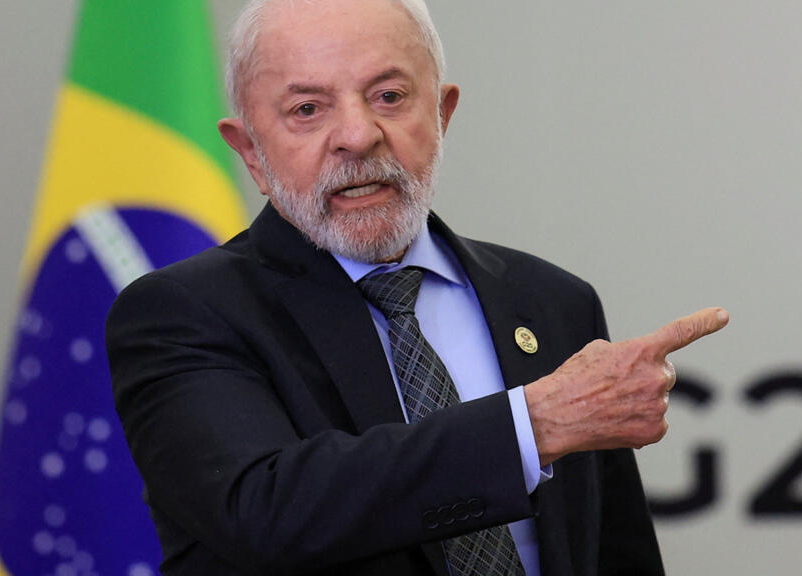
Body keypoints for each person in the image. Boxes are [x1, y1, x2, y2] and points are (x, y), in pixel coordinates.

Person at [105, 0, 729, 574]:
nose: (358, 135)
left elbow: (614, 553)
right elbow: (264, 511)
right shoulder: (183, 313)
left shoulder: (553, 301)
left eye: (389, 96)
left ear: (443, 113)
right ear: (249, 151)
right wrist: (532, 426)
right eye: (307, 109)